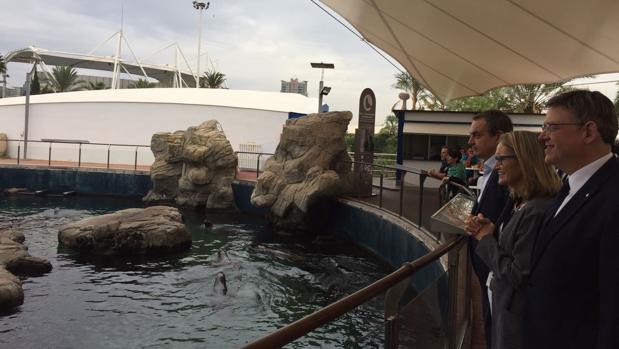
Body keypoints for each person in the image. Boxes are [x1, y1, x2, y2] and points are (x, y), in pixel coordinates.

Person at [524, 90, 619, 349]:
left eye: (551, 127)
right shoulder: (569, 187)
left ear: (589, 132)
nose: (542, 136)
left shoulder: (613, 198)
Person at [465, 131, 561, 349]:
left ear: (524, 160)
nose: (496, 166)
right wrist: (492, 230)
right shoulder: (520, 203)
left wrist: (485, 239)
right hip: (502, 308)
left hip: (515, 321)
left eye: (501, 159)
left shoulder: (536, 210)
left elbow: (518, 274)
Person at [467, 110, 513, 346]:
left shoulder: (507, 176)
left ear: (499, 137)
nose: (470, 142)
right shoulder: (488, 172)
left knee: (496, 329)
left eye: (477, 135)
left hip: (496, 270)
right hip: (488, 269)